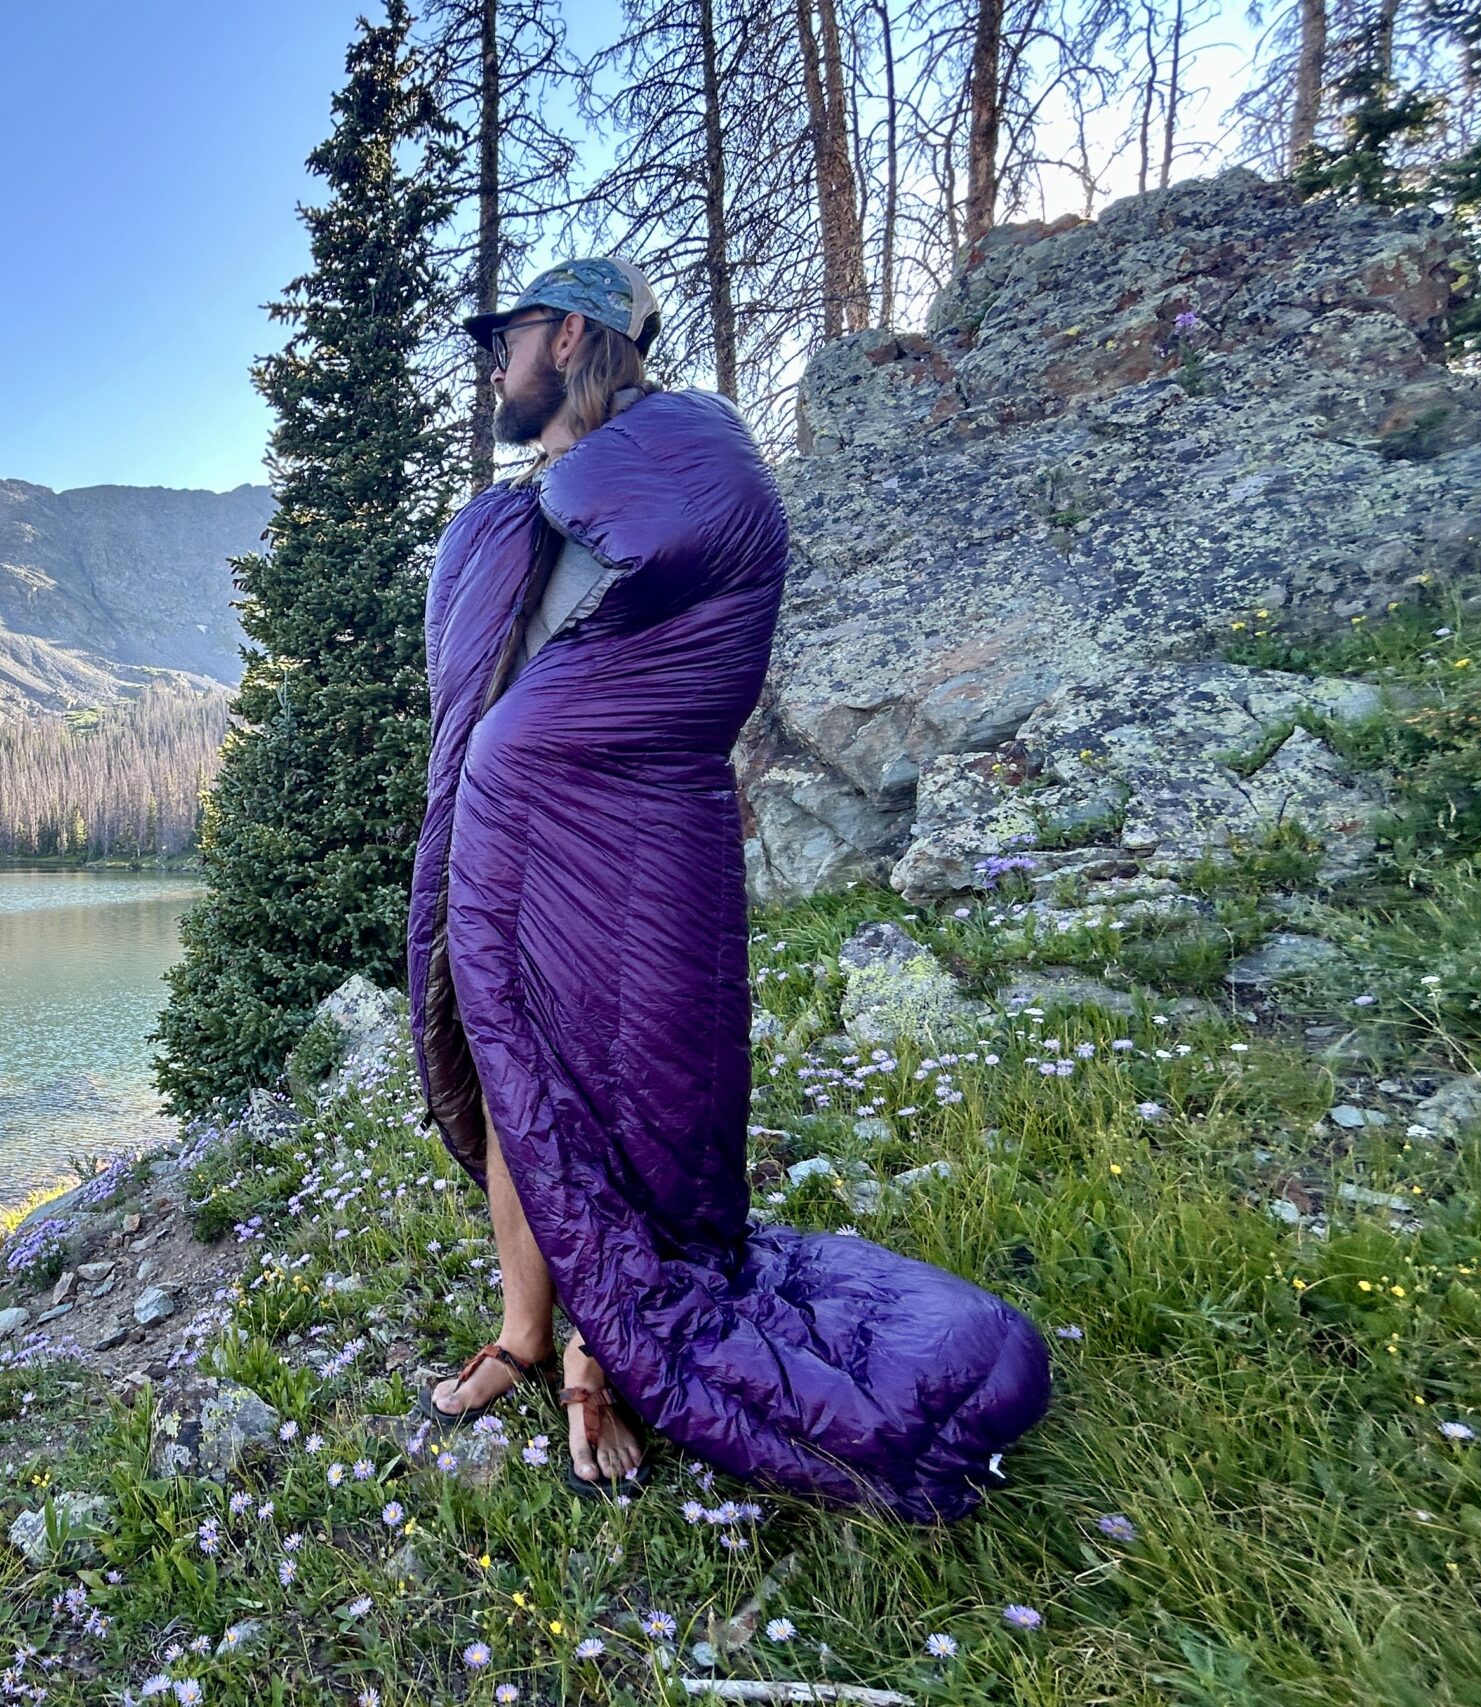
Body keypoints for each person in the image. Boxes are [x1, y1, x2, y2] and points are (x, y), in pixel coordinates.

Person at [404, 258, 1052, 1519]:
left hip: (636, 831)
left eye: (508, 332)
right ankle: (526, 1326)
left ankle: (607, 1348)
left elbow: (696, 582)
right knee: (513, 1070)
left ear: (576, 335)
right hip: (509, 828)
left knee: (628, 1084)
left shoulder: (685, 449)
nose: (490, 357)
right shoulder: (534, 509)